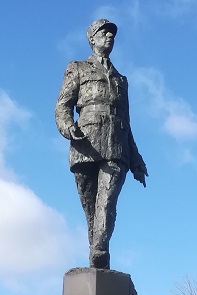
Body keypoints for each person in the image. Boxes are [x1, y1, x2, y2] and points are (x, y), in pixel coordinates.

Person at [55, 18, 148, 269]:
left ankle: (100, 249)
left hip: (116, 148)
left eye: (111, 34)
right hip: (85, 144)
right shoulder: (78, 68)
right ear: (92, 38)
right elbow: (63, 106)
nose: (109, 36)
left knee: (106, 203)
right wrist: (68, 127)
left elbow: (127, 123)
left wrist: (136, 160)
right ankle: (97, 258)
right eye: (103, 32)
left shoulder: (121, 80)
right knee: (91, 211)